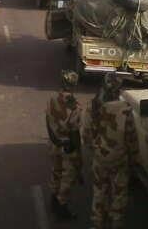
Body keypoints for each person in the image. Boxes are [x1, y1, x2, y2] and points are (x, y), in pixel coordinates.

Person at [83, 74, 137, 229]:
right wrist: (134, 158)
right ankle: (116, 223)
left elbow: (86, 134)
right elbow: (131, 137)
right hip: (119, 160)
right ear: (118, 90)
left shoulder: (93, 106)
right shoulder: (125, 109)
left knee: (99, 191)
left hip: (100, 158)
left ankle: (97, 223)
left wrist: (94, 149)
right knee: (119, 194)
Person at [46, 71, 82, 220]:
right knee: (68, 178)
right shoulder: (75, 105)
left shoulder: (52, 98)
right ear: (74, 85)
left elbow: (47, 121)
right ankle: (62, 209)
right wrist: (78, 152)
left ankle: (53, 201)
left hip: (55, 144)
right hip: (68, 147)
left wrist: (54, 139)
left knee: (56, 172)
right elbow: (74, 132)